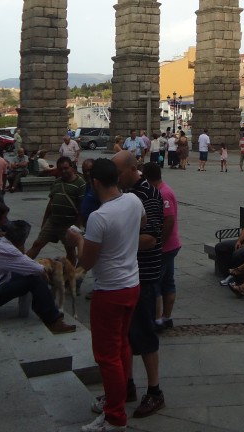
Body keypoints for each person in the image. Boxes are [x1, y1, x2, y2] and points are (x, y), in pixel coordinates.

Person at [70, 158, 146, 432]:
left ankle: (114, 417)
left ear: (95, 183)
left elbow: (86, 262)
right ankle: (117, 397)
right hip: (132, 285)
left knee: (107, 356)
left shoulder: (99, 217)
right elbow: (143, 223)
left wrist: (79, 239)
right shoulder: (134, 201)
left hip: (110, 291)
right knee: (122, 345)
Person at [113, 152, 166, 419]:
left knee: (144, 334)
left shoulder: (148, 195)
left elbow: (151, 238)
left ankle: (155, 392)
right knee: (126, 335)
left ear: (133, 168)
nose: (116, 179)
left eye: (119, 173)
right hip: (129, 274)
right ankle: (128, 385)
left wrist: (115, 246)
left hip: (144, 276)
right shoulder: (128, 193)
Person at [0, 220, 77, 334]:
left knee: (28, 272)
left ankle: (44, 308)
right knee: (35, 278)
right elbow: (38, 269)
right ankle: (52, 320)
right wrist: (43, 271)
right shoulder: (8, 250)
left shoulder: (0, 242)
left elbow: (24, 260)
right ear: (22, 240)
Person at [26, 156, 85, 265]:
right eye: (60, 169)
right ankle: (22, 266)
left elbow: (82, 207)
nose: (63, 171)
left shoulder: (80, 184)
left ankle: (69, 274)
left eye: (66, 168)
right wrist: (44, 222)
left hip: (68, 224)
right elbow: (51, 203)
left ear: (72, 167)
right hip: (53, 221)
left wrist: (76, 227)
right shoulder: (57, 182)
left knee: (70, 250)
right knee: (37, 244)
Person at [146, 162, 181, 332]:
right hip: (170, 245)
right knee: (168, 282)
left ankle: (158, 319)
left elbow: (169, 219)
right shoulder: (161, 190)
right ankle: (167, 318)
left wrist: (160, 242)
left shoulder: (163, 193)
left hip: (166, 247)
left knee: (156, 283)